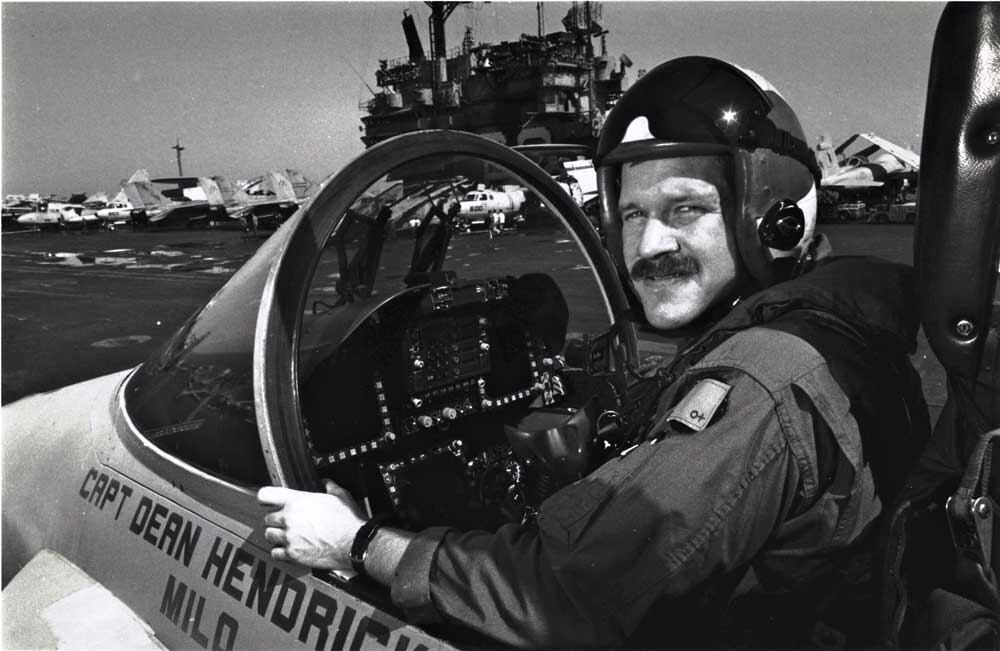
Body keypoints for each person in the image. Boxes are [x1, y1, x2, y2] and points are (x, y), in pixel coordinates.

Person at [258, 57, 931, 648]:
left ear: (776, 216)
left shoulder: (761, 382)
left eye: (685, 210)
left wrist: (356, 540)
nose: (647, 247)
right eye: (633, 214)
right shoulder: (833, 329)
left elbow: (560, 596)